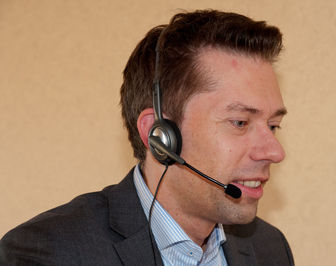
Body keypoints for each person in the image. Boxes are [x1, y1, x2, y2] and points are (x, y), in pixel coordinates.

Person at [0, 10, 294, 265]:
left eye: (273, 125)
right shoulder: (50, 253)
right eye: (240, 122)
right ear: (160, 136)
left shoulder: (269, 248)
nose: (274, 151)